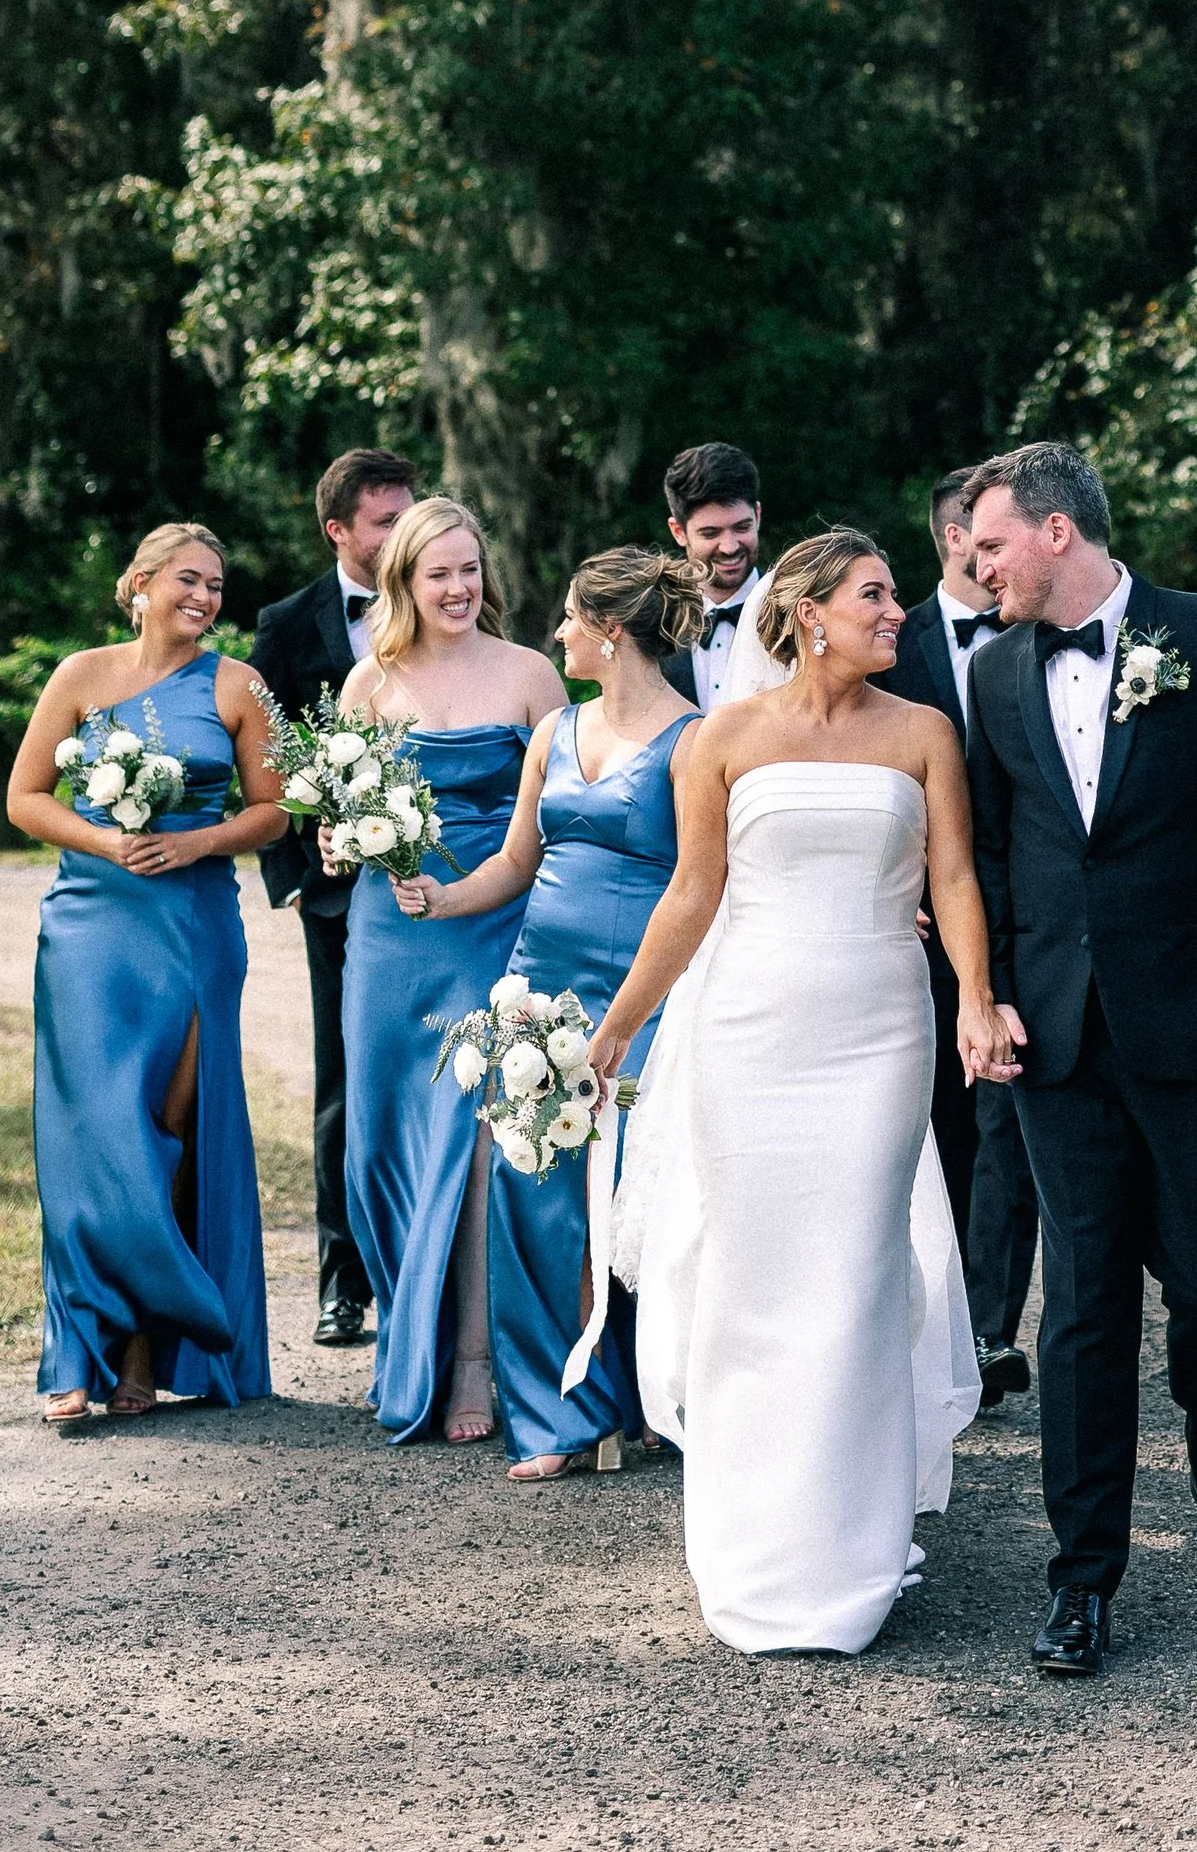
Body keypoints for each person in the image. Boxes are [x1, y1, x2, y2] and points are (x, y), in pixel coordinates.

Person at [592, 529, 1008, 1653]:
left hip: (878, 1029)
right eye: (875, 597)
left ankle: (853, 1544)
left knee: (855, 1273)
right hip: (749, 1032)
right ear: (810, 611)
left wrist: (974, 997)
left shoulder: (923, 733)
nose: (897, 615)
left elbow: (955, 877)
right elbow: (689, 894)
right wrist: (618, 1026)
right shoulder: (721, 739)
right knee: (756, 1271)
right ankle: (750, 1537)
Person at [965, 440, 1197, 1681]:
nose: (976, 565)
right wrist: (992, 997)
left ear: (1056, 533)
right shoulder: (996, 672)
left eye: (992, 543)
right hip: (1057, 1039)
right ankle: (1082, 1582)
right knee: (1082, 1308)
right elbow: (998, 853)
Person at [387, 544, 699, 1479]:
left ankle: (644, 1398)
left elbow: (703, 878)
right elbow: (520, 861)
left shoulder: (696, 741)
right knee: (532, 1197)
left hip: (647, 995)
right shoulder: (554, 731)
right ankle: (555, 1416)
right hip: (536, 989)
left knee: (636, 1202)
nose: (555, 632)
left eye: (570, 617)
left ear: (610, 633)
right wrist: (442, 897)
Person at [8, 523, 284, 1429]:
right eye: (186, 580)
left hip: (195, 924)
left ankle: (141, 1353)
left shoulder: (240, 684)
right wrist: (107, 841)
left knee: (169, 1124)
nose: (203, 598)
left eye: (214, 585)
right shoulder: (79, 676)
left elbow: (277, 812)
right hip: (90, 925)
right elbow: (25, 798)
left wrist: (198, 840)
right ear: (140, 583)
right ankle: (75, 1354)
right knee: (93, 1135)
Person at [336, 497, 565, 1446]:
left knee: (471, 1139)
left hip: (494, 924)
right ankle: (408, 1342)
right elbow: (341, 818)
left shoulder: (531, 675)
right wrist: (338, 838)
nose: (458, 588)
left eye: (470, 569)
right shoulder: (368, 685)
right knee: (384, 1138)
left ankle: (472, 1360)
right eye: (439, 574)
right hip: (392, 935)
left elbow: (573, 803)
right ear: (405, 583)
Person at [873, 463, 1041, 1408]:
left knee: (1006, 1116)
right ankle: (922, 1322)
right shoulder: (894, 641)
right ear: (948, 539)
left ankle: (988, 1329)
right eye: (973, 538)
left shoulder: (1049, 628)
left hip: (1029, 913)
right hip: (917, 920)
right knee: (934, 1120)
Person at [252, 446, 420, 1347]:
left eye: (409, 513)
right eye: (385, 521)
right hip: (335, 892)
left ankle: (427, 1275)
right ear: (339, 531)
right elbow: (269, 754)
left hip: (437, 885)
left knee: (430, 1072)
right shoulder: (288, 623)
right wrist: (301, 875)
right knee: (343, 1081)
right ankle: (340, 1281)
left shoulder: (442, 601)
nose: (402, 533)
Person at [659, 442, 765, 713]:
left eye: (741, 527)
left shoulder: (799, 612)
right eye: (710, 533)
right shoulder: (654, 620)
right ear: (678, 532)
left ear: (758, 515)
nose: (729, 547)